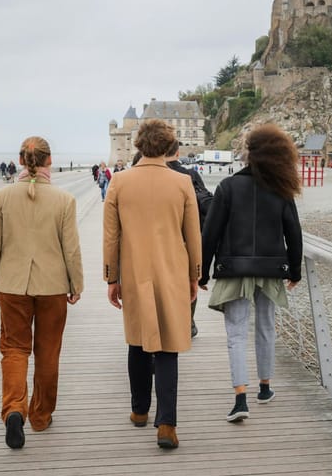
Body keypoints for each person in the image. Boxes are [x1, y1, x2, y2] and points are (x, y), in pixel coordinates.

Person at [103, 119, 201, 449]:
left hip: (133, 271)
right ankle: (168, 424)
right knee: (168, 346)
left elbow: (111, 237)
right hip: (172, 270)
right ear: (169, 146)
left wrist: (111, 277)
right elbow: (193, 235)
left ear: (139, 145)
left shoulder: (119, 182)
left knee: (137, 341)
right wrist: (194, 275)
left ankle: (139, 410)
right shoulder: (182, 182)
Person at [200, 124, 303, 423]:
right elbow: (293, 233)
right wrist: (294, 270)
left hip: (234, 269)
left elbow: (211, 233)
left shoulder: (228, 187)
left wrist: (202, 273)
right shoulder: (281, 189)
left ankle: (240, 397)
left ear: (248, 155)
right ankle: (265, 388)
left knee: (235, 333)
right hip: (271, 270)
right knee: (266, 328)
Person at [0, 136, 83, 449]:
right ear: (49, 161)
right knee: (48, 351)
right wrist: (75, 284)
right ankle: (41, 416)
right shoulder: (63, 200)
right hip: (53, 287)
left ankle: (14, 409)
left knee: (14, 349)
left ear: (19, 161)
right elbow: (71, 250)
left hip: (13, 286)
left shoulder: (2, 196)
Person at [165, 140, 213, 339]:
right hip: (189, 237)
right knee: (189, 280)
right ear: (177, 153)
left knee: (167, 283)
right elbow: (205, 202)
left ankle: (168, 322)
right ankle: (188, 322)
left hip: (165, 238)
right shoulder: (191, 175)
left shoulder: (157, 176)